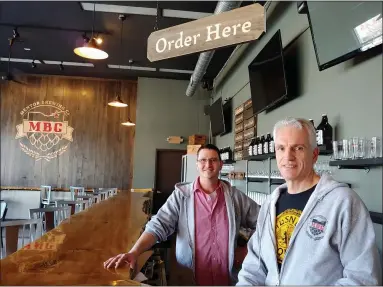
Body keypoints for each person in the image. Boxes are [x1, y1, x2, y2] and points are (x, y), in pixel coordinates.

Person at [237, 117, 382, 285]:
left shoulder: (343, 202)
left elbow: (362, 278)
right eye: (281, 148)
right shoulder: (270, 204)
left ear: (314, 155)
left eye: (298, 148)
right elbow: (253, 269)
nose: (288, 156)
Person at [104, 143, 260, 285]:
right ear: (197, 165)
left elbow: (263, 222)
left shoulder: (235, 197)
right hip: (189, 279)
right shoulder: (181, 196)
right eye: (203, 160)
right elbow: (158, 225)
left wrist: (247, 250)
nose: (208, 165)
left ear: (221, 165)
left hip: (229, 280)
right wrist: (134, 252)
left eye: (213, 160)